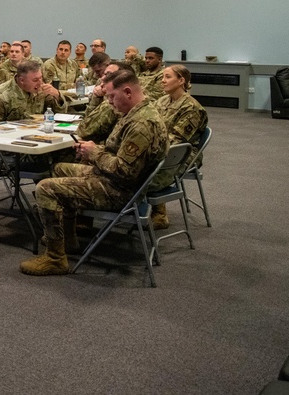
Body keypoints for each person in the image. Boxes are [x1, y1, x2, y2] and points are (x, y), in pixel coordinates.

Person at [20, 67, 168, 276]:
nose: (109, 102)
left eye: (111, 96)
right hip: (119, 182)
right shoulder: (137, 113)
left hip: (120, 191)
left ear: (127, 92)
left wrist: (94, 153)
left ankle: (55, 258)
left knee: (46, 188)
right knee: (60, 168)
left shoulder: (142, 124)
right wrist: (93, 149)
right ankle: (68, 238)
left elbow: (124, 171)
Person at [149, 64, 208, 230]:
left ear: (181, 81)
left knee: (143, 169)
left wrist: (148, 147)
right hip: (161, 148)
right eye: (162, 77)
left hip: (183, 153)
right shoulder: (162, 100)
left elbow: (177, 140)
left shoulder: (191, 108)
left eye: (168, 77)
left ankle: (159, 214)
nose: (163, 81)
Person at [0, 59, 64, 124]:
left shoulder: (41, 90)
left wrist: (57, 95)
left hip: (36, 133)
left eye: (41, 78)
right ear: (21, 80)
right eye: (35, 80)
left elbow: (59, 115)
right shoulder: (1, 95)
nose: (40, 82)